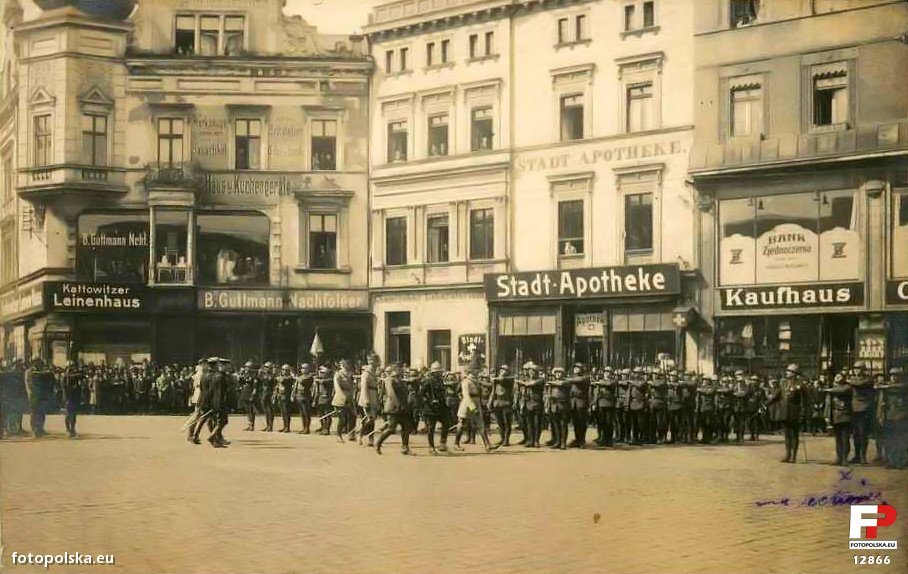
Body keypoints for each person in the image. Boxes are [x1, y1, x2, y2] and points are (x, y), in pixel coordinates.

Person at [767, 364, 808, 463]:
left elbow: (804, 400)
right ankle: (787, 455)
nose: (787, 373)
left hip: (795, 413)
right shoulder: (784, 383)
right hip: (784, 412)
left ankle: (793, 456)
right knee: (787, 435)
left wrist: (802, 414)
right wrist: (766, 404)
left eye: (789, 371)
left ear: (794, 373)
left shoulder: (800, 384)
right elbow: (777, 396)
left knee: (794, 435)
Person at [454, 358, 495, 452]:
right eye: (476, 369)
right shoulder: (466, 381)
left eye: (478, 369)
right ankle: (456, 444)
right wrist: (473, 408)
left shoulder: (476, 381)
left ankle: (487, 444)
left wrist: (480, 405)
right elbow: (466, 396)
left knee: (481, 424)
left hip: (476, 402)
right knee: (462, 424)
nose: (478, 371)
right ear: (471, 370)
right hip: (467, 404)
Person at [375, 364, 412, 455]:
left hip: (402, 407)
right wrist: (397, 404)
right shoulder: (390, 379)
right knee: (391, 428)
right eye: (400, 369)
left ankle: (405, 447)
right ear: (395, 370)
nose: (402, 370)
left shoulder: (400, 380)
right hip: (393, 408)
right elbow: (391, 394)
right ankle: (378, 443)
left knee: (406, 427)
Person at [420, 361, 449, 454]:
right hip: (431, 409)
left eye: (440, 372)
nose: (440, 373)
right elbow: (421, 394)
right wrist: (429, 401)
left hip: (441, 407)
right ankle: (431, 446)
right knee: (431, 427)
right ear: (433, 373)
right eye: (438, 372)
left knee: (446, 423)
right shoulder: (428, 381)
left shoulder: (441, 381)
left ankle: (442, 443)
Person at [823, 373, 852, 466]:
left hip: (844, 415)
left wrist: (827, 389)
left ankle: (844, 459)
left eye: (840, 376)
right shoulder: (832, 388)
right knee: (838, 439)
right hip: (835, 415)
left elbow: (841, 391)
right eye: (836, 376)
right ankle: (839, 458)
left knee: (845, 439)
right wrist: (827, 416)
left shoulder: (847, 387)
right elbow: (828, 404)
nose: (837, 378)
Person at [848, 362, 875, 465]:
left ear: (863, 369)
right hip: (854, 409)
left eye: (859, 368)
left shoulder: (868, 379)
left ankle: (862, 456)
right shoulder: (853, 379)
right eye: (855, 368)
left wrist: (849, 380)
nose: (857, 370)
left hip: (864, 409)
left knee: (863, 434)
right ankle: (857, 456)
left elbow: (859, 384)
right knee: (856, 435)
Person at [25, 359, 54, 438]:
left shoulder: (41, 371)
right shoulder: (30, 371)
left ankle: (40, 428)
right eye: (38, 362)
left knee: (41, 412)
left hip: (41, 395)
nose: (40, 364)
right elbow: (28, 384)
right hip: (33, 395)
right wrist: (30, 393)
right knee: (34, 413)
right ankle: (34, 430)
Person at [489, 364, 515, 447]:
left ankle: (506, 440)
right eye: (501, 370)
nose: (502, 371)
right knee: (500, 423)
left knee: (507, 422)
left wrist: (494, 379)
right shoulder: (496, 380)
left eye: (504, 370)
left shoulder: (509, 379)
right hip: (498, 402)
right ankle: (502, 438)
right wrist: (490, 402)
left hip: (506, 402)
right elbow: (493, 391)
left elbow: (503, 379)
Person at [519, 362, 545, 448]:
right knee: (529, 423)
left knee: (537, 423)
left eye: (533, 371)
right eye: (530, 371)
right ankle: (530, 440)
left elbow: (531, 384)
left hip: (537, 403)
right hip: (528, 403)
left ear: (536, 372)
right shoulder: (526, 380)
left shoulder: (540, 380)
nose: (531, 373)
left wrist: (520, 382)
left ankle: (536, 440)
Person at [591, 368, 617, 447]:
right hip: (601, 403)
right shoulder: (600, 381)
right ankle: (603, 438)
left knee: (609, 423)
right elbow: (596, 393)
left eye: (608, 372)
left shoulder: (613, 381)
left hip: (609, 404)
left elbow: (609, 384)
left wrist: (598, 382)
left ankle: (609, 439)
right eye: (605, 372)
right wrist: (594, 403)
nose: (607, 373)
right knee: (601, 422)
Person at [547, 367, 571, 450]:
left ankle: (563, 442)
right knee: (555, 424)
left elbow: (561, 384)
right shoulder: (552, 383)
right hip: (554, 404)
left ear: (563, 374)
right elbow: (549, 394)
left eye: (559, 373)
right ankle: (557, 441)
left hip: (563, 404)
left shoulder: (566, 381)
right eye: (556, 373)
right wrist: (548, 405)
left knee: (563, 424)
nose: (557, 374)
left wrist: (550, 382)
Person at [332, 359, 356, 442]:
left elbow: (353, 386)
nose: (345, 366)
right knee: (342, 419)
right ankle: (339, 435)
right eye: (343, 365)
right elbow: (337, 387)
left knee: (353, 416)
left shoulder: (350, 374)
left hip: (349, 397)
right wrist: (343, 398)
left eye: (347, 364)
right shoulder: (338, 374)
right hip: (340, 399)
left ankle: (351, 434)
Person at [357, 360, 380, 446]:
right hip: (367, 398)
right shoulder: (366, 374)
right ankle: (360, 434)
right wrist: (366, 400)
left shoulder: (374, 374)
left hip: (373, 397)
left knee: (372, 420)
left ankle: (371, 438)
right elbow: (364, 387)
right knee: (369, 419)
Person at [62, 361, 84, 438]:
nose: (72, 370)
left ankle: (73, 429)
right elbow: (65, 388)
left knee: (74, 415)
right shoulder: (65, 377)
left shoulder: (74, 377)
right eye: (70, 368)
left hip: (75, 397)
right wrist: (66, 398)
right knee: (68, 414)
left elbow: (81, 376)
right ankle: (68, 430)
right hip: (68, 397)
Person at [294, 363, 314, 434]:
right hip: (299, 396)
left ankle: (307, 428)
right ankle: (304, 427)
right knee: (302, 413)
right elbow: (296, 386)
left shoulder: (309, 376)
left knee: (306, 413)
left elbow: (303, 382)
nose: (303, 369)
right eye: (302, 368)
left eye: (305, 368)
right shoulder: (300, 376)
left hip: (305, 397)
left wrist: (295, 377)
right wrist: (294, 394)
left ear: (308, 369)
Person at [239, 361, 259, 431]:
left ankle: (252, 425)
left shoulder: (254, 375)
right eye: (246, 367)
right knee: (247, 410)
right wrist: (240, 376)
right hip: (244, 392)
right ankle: (249, 424)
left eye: (248, 367)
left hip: (250, 393)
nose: (246, 368)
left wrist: (253, 395)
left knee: (251, 410)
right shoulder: (244, 374)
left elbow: (255, 386)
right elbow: (241, 383)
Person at [315, 365, 334, 435]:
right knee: (321, 414)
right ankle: (323, 426)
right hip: (320, 398)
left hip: (327, 398)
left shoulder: (330, 380)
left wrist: (318, 380)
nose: (320, 374)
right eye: (320, 372)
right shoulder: (320, 380)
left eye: (323, 373)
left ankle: (327, 429)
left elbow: (324, 381)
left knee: (327, 414)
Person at [276, 364, 295, 433]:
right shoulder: (281, 376)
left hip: (286, 396)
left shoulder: (290, 377)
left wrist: (279, 378)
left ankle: (287, 427)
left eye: (285, 370)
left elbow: (282, 380)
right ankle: (284, 426)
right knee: (283, 413)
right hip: (281, 395)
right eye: (283, 369)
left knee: (287, 412)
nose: (284, 371)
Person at [259, 362, 275, 432]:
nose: (265, 368)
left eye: (267, 367)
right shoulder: (264, 374)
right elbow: (260, 380)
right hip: (264, 393)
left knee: (270, 410)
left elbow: (270, 380)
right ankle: (267, 425)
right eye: (265, 367)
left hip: (270, 393)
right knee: (265, 411)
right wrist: (260, 373)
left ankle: (270, 426)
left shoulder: (272, 375)